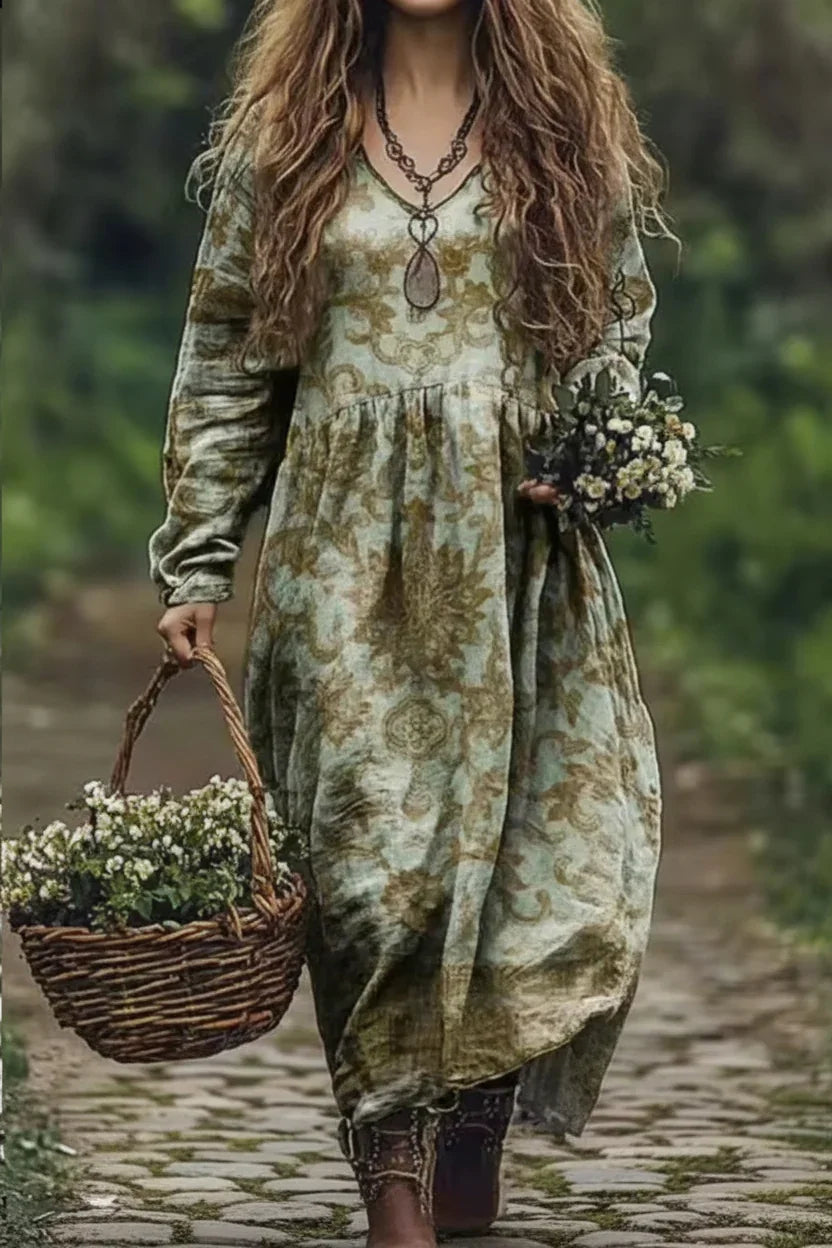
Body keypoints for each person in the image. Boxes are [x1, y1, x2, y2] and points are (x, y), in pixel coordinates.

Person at [151, 1, 667, 1244]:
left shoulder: (561, 122)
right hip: (343, 557)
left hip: (515, 560)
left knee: (524, 876)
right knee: (372, 871)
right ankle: (389, 1169)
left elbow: (614, 321)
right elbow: (226, 351)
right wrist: (198, 553)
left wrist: (593, 452)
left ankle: (475, 1121)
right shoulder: (284, 136)